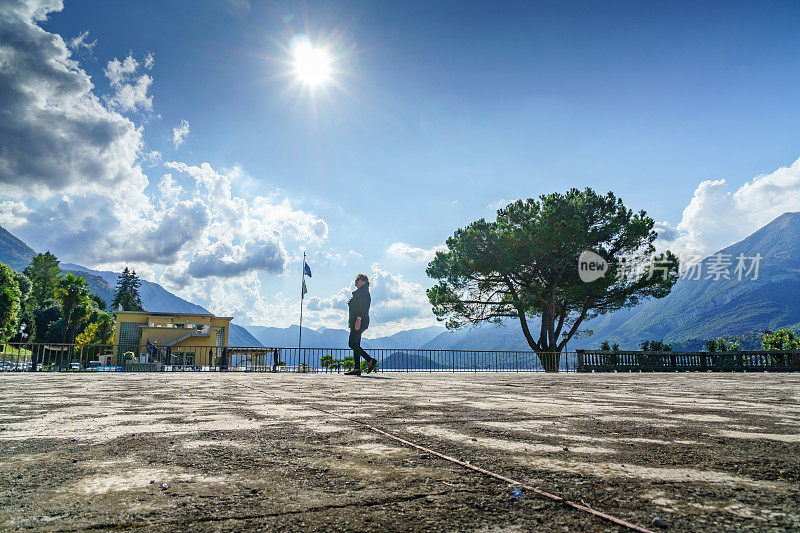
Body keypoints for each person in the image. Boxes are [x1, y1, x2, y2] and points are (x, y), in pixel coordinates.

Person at [345, 273, 377, 375]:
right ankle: (357, 368)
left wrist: (358, 320)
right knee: (356, 344)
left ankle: (369, 360)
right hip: (357, 321)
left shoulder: (363, 293)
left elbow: (364, 308)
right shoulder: (360, 292)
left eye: (358, 279)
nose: (356, 280)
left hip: (359, 321)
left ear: (364, 282)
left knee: (352, 343)